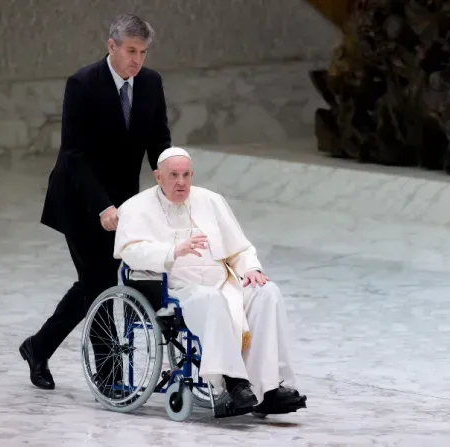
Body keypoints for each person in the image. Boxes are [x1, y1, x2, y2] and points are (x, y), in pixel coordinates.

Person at [19, 14, 172, 390]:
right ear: (112, 47)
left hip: (123, 204)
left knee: (93, 286)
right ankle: (110, 378)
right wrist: (102, 205)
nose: (137, 60)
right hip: (79, 200)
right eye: (131, 51)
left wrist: (171, 185)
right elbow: (74, 154)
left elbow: (159, 143)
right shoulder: (83, 84)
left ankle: (37, 347)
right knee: (101, 284)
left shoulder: (151, 83)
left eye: (143, 52)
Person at [113, 147, 308, 415]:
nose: (181, 182)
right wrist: (172, 251)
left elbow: (239, 249)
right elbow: (130, 252)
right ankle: (233, 383)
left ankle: (269, 389)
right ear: (158, 177)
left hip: (223, 282)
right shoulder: (136, 207)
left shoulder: (211, 201)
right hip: (176, 289)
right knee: (209, 298)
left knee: (266, 291)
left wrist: (250, 268)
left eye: (185, 175)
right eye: (173, 175)